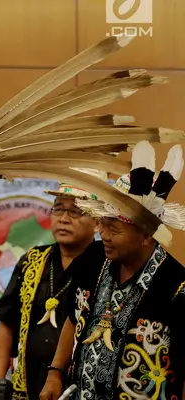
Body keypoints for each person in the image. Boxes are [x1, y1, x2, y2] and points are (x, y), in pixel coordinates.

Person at [40, 142, 185, 400]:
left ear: (145, 234)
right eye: (102, 224)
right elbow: (73, 318)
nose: (103, 235)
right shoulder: (92, 259)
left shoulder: (177, 286)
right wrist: (55, 372)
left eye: (114, 229)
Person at [0, 172, 106, 400]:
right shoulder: (32, 260)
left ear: (97, 221)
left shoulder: (106, 266)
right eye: (58, 208)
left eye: (75, 211)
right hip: (29, 386)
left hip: (80, 389)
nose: (63, 218)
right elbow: (7, 325)